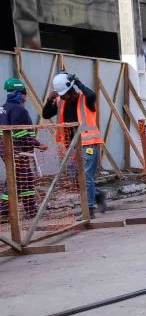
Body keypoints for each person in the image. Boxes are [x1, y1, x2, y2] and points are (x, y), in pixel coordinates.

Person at [42, 71, 103, 216]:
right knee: (75, 177)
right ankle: (98, 195)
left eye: (64, 94)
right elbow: (46, 114)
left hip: (89, 144)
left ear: (71, 89)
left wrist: (78, 82)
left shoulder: (85, 99)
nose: (62, 97)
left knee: (86, 175)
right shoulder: (60, 102)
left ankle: (89, 210)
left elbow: (92, 95)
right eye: (60, 95)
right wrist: (49, 100)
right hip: (73, 146)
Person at [0, 78, 44, 220]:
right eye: (24, 93)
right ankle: (4, 209)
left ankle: (30, 209)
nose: (25, 97)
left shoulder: (3, 108)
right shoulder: (19, 110)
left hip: (6, 150)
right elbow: (21, 135)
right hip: (18, 151)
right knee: (17, 179)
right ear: (20, 93)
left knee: (26, 178)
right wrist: (38, 145)